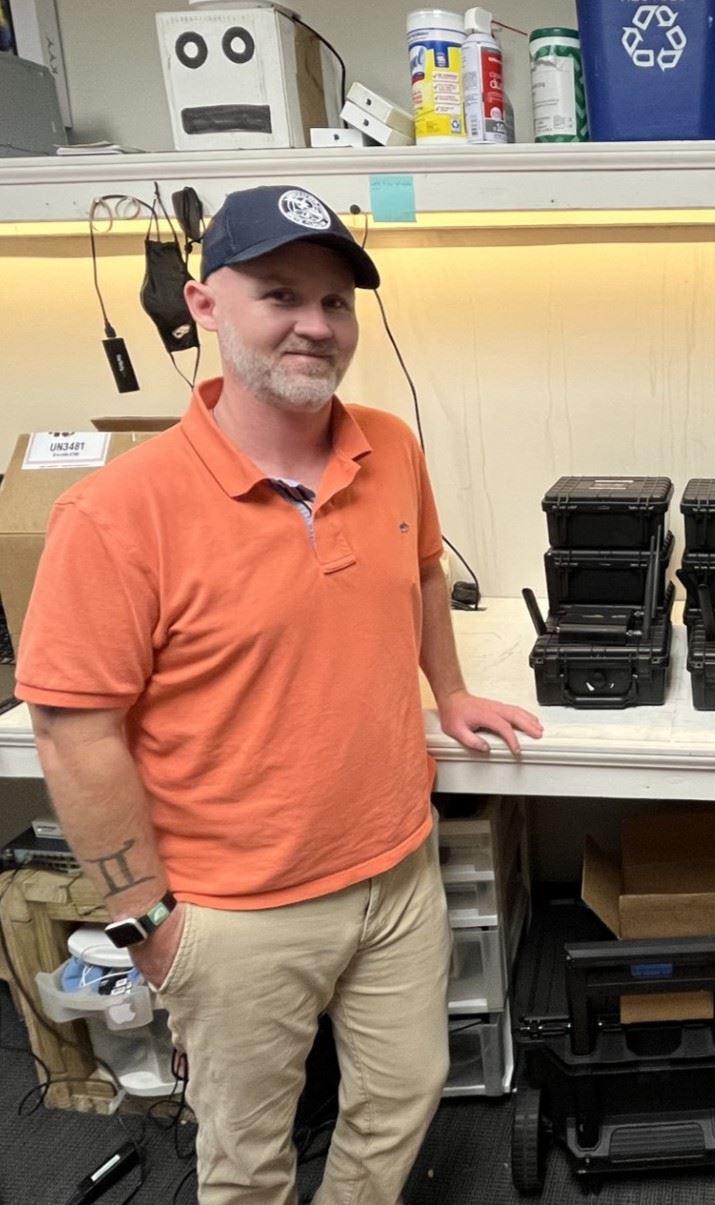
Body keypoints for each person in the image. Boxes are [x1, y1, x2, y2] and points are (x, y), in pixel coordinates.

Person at [16, 184, 542, 1205]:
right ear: (208, 305)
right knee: (246, 1157)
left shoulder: (387, 445)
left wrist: (454, 687)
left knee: (404, 1093)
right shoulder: (119, 512)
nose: (316, 323)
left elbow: (423, 571)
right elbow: (73, 731)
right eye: (279, 293)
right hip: (234, 910)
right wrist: (148, 920)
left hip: (395, 868)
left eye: (336, 300)